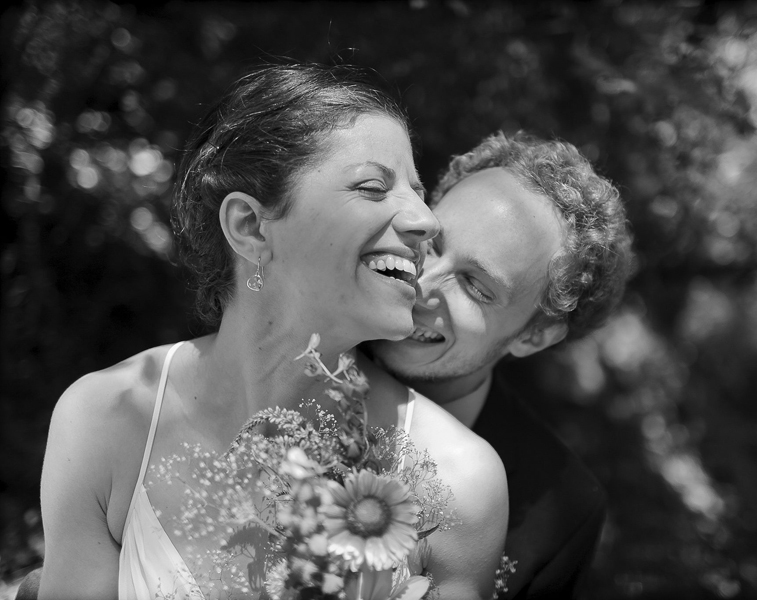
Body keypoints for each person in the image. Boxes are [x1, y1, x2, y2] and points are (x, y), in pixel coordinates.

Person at [35, 64, 508, 600]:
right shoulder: (105, 418)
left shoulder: (461, 484)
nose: (426, 220)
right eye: (374, 187)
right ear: (250, 227)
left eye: (419, 192)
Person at [369, 131, 632, 598]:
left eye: (474, 285)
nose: (422, 283)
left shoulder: (562, 509)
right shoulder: (300, 346)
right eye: (431, 243)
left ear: (534, 336)